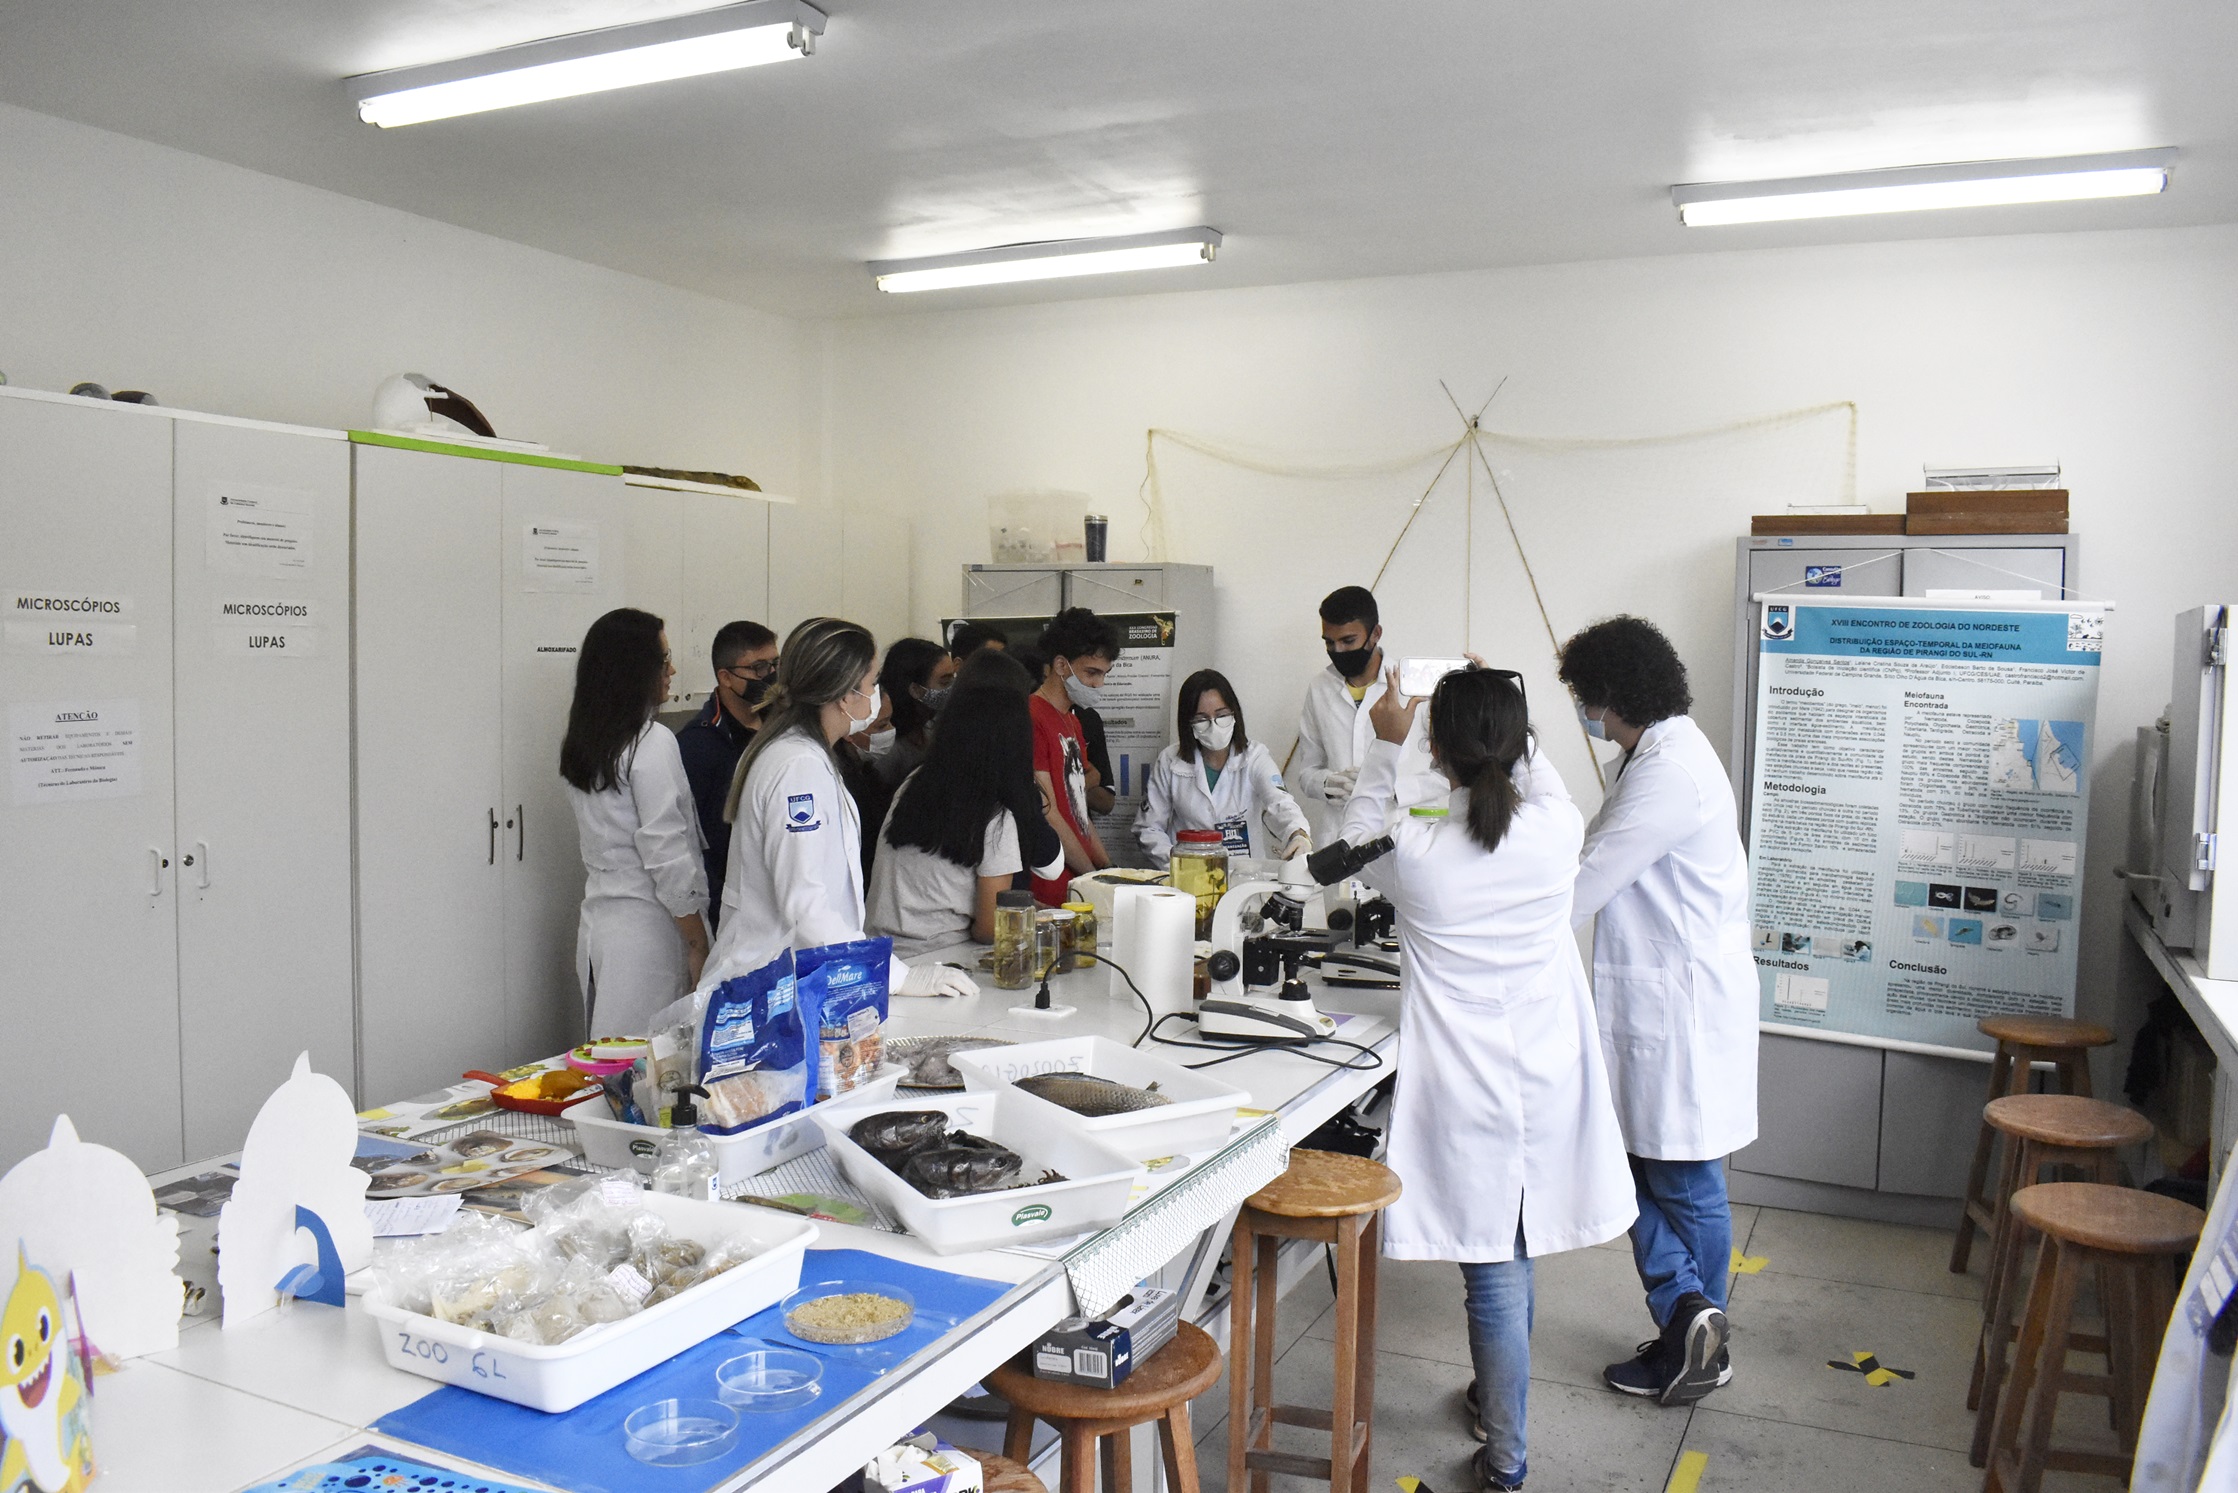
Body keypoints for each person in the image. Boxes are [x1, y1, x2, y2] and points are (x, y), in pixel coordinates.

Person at [1339, 662, 1634, 1492]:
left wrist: (1386, 742)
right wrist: (1499, 711)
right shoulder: (1555, 829)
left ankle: (1505, 1459)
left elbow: (1356, 835)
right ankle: (1494, 1406)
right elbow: (1534, 775)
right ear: (1518, 741)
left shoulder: (1417, 850)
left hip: (1466, 1088)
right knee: (1518, 1244)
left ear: (1437, 750)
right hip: (1548, 1074)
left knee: (1495, 1269)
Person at [1558, 616, 1757, 1407]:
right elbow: (1584, 847)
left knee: (1681, 1177)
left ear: (1610, 694)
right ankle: (1691, 1321)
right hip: (1663, 1002)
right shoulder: (1650, 757)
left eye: (1584, 695)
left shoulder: (1669, 771)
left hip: (1680, 1009)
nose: (1583, 708)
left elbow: (1584, 880)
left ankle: (1699, 1335)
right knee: (1633, 1165)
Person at [701, 616, 977, 999]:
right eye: (873, 683)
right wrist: (896, 976)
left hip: (796, 980)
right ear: (846, 696)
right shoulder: (798, 766)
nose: (877, 694)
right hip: (768, 987)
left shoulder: (804, 753)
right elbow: (805, 903)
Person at [559, 608, 710, 1036]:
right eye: (664, 660)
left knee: (611, 1053)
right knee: (650, 1062)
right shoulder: (652, 742)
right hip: (651, 933)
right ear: (633, 669)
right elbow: (666, 855)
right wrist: (698, 942)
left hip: (602, 927)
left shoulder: (587, 741)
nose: (672, 671)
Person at [868, 686, 1066, 957]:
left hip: (880, 952)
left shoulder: (915, 781)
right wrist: (1024, 916)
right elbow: (988, 929)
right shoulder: (996, 808)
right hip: (939, 955)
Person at [1294, 585, 1446, 842]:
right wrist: (1330, 784)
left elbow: (1449, 774)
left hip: (1403, 833)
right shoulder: (1320, 688)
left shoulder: (1415, 687)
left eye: (1348, 641)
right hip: (1338, 836)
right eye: (1329, 642)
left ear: (1375, 634)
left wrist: (1393, 789)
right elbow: (1308, 772)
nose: (1338, 651)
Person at [1137, 668, 1311, 864]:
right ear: (1188, 723)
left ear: (1234, 713)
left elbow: (1281, 803)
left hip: (1245, 873)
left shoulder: (1255, 757)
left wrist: (1298, 834)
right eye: (1201, 719)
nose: (1214, 726)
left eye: (1221, 715)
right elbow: (1149, 828)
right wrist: (1178, 862)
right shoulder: (1170, 761)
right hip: (1189, 872)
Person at [676, 619, 778, 924]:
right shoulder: (698, 744)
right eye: (759, 668)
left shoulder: (782, 726)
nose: (771, 675)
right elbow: (691, 843)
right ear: (726, 677)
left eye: (775, 664)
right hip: (730, 908)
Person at [1028, 608, 1119, 905]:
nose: (1099, 684)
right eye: (1092, 672)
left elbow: (1079, 808)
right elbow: (1049, 812)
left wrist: (1108, 869)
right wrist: (1091, 875)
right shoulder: (1032, 716)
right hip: (1050, 882)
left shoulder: (1073, 720)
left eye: (1104, 674)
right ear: (1061, 665)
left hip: (1077, 880)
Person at [875, 637, 958, 784]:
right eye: (945, 682)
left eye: (953, 679)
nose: (953, 688)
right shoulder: (890, 748)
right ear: (916, 690)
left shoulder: (931, 727)